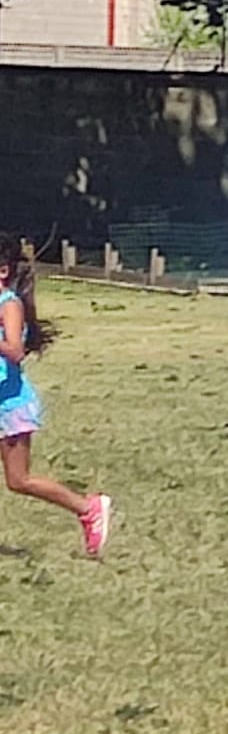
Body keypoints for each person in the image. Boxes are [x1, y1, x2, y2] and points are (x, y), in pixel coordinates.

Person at [0, 233, 111, 557]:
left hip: (9, 405)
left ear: (3, 270)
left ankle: (88, 508)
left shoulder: (9, 304)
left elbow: (16, 351)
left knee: (19, 481)